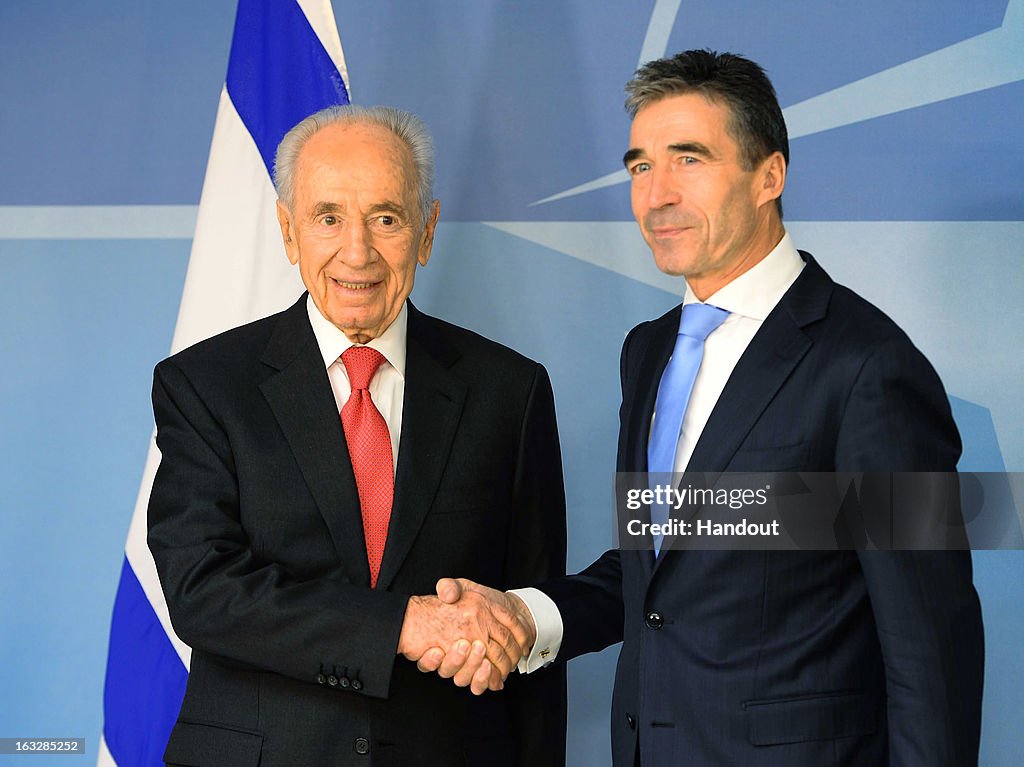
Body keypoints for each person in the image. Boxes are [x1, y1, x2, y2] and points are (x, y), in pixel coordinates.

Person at [422, 50, 984, 766]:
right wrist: (526, 616)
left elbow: (930, 648)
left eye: (689, 159)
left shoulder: (868, 366)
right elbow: (657, 571)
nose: (656, 194)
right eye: (639, 167)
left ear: (768, 175)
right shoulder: (648, 351)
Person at [147, 104, 566, 767]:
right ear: (289, 232)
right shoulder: (204, 385)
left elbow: (527, 618)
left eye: (387, 218)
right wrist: (401, 624)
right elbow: (203, 590)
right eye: (329, 218)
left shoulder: (509, 392)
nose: (358, 251)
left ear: (426, 232)